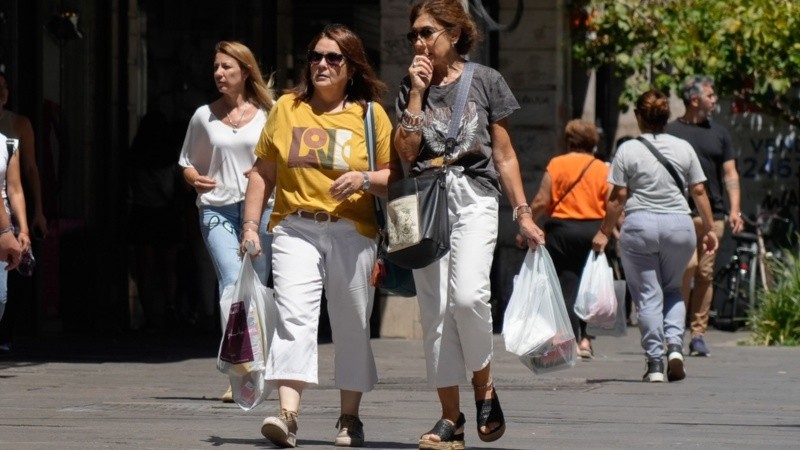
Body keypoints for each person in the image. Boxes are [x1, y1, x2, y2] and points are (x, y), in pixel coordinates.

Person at [394, 1, 544, 448]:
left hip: (474, 194)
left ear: (455, 34)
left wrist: (523, 212)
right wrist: (417, 93)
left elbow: (504, 154)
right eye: (414, 35)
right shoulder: (410, 85)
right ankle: (450, 418)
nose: (419, 42)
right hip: (425, 200)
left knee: (468, 297)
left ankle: (484, 383)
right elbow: (405, 154)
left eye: (427, 32)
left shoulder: (486, 80)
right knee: (435, 311)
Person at [240, 24, 394, 448]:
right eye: (315, 56)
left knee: (352, 325)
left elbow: (393, 177)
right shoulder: (287, 108)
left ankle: (350, 418)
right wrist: (250, 226)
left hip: (353, 231)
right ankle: (287, 415)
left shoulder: (370, 115)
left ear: (351, 66)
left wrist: (363, 179)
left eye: (333, 58)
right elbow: (263, 172)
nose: (322, 64)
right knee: (293, 318)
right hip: (295, 228)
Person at [592, 89, 719, 383]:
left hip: (640, 226)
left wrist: (603, 232)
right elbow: (699, 190)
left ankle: (655, 363)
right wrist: (710, 229)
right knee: (674, 289)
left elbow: (618, 198)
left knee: (648, 296)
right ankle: (675, 347)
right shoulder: (683, 147)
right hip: (679, 227)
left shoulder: (627, 150)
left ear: (639, 116)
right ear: (665, 116)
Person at [178, 41, 275, 400]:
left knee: (256, 286)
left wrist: (266, 171)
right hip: (217, 208)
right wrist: (193, 178)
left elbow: (285, 158)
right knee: (233, 282)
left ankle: (255, 366)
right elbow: (188, 162)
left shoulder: (270, 113)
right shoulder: (203, 116)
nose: (219, 73)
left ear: (246, 71)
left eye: (227, 67)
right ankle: (241, 366)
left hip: (262, 208)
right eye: (216, 67)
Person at [515, 119, 609, 359]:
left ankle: (571, 341)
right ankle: (586, 340)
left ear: (569, 141)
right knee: (590, 286)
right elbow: (612, 203)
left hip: (562, 232)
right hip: (592, 231)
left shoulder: (557, 164)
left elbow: (541, 200)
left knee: (567, 285)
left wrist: (526, 225)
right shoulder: (601, 168)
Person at [665, 76, 744, 357]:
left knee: (705, 273)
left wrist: (734, 209)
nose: (714, 100)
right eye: (710, 95)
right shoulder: (670, 132)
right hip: (680, 213)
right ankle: (675, 331)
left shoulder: (720, 133)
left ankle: (698, 334)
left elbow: (730, 173)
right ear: (694, 99)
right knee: (685, 270)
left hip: (714, 215)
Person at [0, 71, 46, 353]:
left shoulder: (16, 128)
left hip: (7, 212)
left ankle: (6, 331)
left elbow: (28, 172)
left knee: (8, 282)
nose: (1, 92)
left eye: (4, 87)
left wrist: (35, 214)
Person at [0, 137, 29, 323]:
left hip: (3, 233)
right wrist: (4, 231)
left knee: (0, 299)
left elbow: (15, 189)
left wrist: (23, 230)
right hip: (2, 231)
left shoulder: (8, 144)